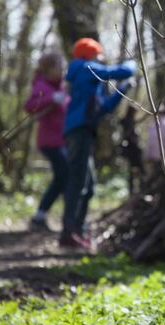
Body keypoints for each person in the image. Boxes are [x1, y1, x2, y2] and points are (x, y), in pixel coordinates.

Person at [60, 38, 136, 249]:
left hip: (84, 131)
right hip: (79, 131)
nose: (101, 58)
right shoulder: (85, 68)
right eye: (98, 54)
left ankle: (77, 230)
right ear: (89, 54)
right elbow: (122, 71)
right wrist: (133, 64)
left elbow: (104, 108)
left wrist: (123, 89)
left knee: (88, 186)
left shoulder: (88, 79)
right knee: (77, 182)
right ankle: (68, 232)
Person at [24, 52, 68, 232]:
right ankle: (41, 216)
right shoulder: (42, 85)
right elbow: (29, 105)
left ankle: (43, 216)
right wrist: (51, 98)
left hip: (61, 141)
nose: (62, 70)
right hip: (50, 142)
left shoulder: (61, 87)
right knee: (64, 175)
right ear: (49, 69)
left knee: (63, 177)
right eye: (59, 67)